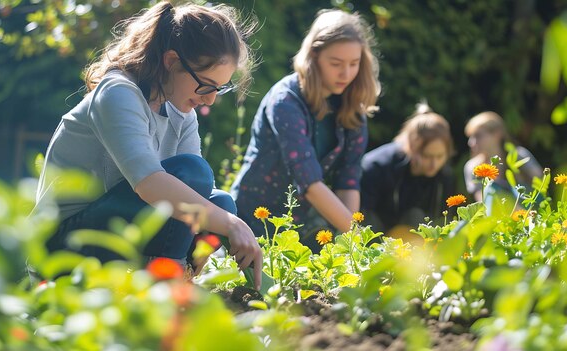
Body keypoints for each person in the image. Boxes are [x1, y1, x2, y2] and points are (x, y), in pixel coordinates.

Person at [34, 1, 262, 289]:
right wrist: (231, 224)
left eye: (219, 88)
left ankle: (181, 277)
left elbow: (196, 194)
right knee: (195, 175)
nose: (210, 99)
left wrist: (226, 222)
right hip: (63, 245)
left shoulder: (181, 112)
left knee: (221, 202)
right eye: (204, 84)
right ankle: (167, 285)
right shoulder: (118, 92)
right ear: (171, 61)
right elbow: (150, 184)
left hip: (119, 232)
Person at [230, 9, 380, 251]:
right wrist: (359, 240)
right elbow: (309, 182)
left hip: (299, 227)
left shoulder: (352, 107)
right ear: (314, 56)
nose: (346, 73)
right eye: (336, 63)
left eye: (354, 64)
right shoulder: (285, 100)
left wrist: (351, 247)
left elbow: (348, 180)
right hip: (252, 220)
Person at [360, 104, 455, 241]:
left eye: (440, 156)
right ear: (411, 147)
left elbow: (443, 221)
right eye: (427, 156)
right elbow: (363, 219)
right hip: (378, 237)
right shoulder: (376, 167)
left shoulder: (444, 177)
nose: (434, 164)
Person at [463, 111, 542, 206]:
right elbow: (483, 202)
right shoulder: (473, 167)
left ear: (497, 134)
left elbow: (540, 184)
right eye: (470, 137)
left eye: (478, 136)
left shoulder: (519, 155)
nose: (471, 142)